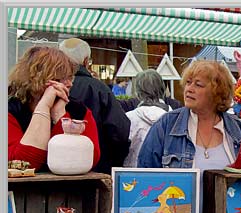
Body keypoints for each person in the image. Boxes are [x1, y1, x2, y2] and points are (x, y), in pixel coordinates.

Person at [137, 60, 241, 171]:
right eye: (188, 82)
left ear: (217, 93)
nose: (189, 89)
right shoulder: (166, 125)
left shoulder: (238, 129)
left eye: (198, 84)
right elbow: (144, 175)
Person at [8, 46, 100, 171]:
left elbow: (87, 159)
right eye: (61, 78)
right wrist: (44, 107)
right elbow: (23, 163)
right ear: (36, 79)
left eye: (70, 77)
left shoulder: (79, 111)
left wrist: (60, 116)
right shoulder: (10, 111)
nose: (69, 84)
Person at [59, 38, 131, 174]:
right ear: (86, 61)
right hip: (95, 169)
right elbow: (120, 130)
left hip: (52, 169)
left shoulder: (46, 87)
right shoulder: (99, 89)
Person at [123, 69, 171, 167]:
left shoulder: (128, 119)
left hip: (132, 177)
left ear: (138, 92)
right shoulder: (175, 119)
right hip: (167, 178)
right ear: (162, 88)